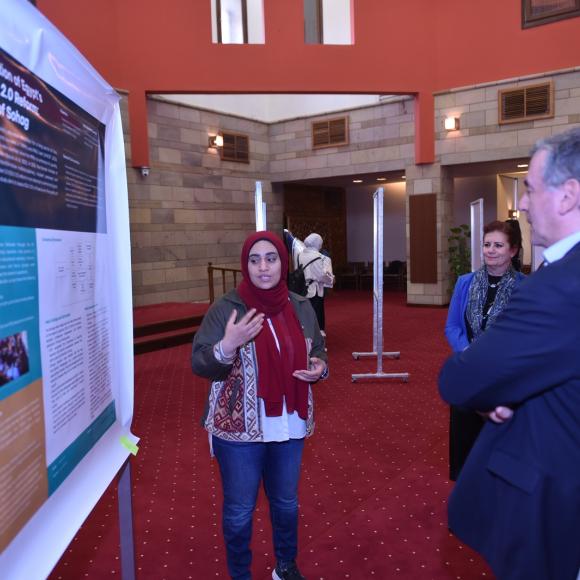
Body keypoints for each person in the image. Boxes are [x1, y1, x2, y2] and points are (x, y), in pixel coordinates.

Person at [439, 127, 580, 580]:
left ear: (567, 196)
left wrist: (493, 387)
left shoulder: (558, 287)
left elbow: (458, 381)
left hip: (557, 493)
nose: (522, 203)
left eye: (531, 190)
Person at [191, 231, 328, 580]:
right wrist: (227, 345)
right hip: (238, 430)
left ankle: (285, 566)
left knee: (285, 503)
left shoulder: (299, 305)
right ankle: (241, 575)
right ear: (245, 265)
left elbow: (317, 352)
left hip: (289, 423)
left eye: (271, 258)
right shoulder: (227, 308)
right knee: (239, 510)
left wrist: (319, 368)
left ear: (283, 263)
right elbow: (200, 362)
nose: (263, 267)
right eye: (255, 260)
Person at [444, 220, 525, 480]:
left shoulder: (525, 287)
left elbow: (525, 334)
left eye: (498, 245)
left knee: (500, 444)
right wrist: (468, 353)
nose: (490, 250)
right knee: (465, 442)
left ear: (512, 250)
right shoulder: (464, 283)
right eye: (487, 244)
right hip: (469, 371)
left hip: (505, 376)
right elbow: (453, 327)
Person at [299, 233, 334, 336]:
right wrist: (331, 280)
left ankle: (306, 335)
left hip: (302, 289)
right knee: (317, 314)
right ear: (318, 243)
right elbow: (321, 276)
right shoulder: (318, 257)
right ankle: (318, 337)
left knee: (305, 314)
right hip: (314, 290)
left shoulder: (300, 255)